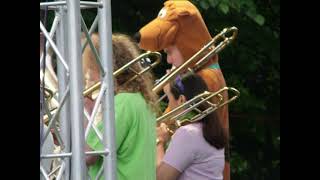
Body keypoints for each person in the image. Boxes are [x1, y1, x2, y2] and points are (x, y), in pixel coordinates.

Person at [134, 1, 231, 179]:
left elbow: (163, 175)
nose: (169, 61)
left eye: (170, 52)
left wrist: (157, 139)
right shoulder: (199, 77)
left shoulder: (207, 78)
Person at [83, 33, 160, 180]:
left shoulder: (122, 103)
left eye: (91, 71)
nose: (90, 79)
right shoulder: (140, 100)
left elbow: (87, 156)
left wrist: (87, 111)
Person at [156, 73, 228, 180]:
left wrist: (159, 141)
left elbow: (161, 178)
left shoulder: (188, 133)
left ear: (181, 100)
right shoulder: (209, 128)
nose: (168, 106)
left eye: (169, 99)